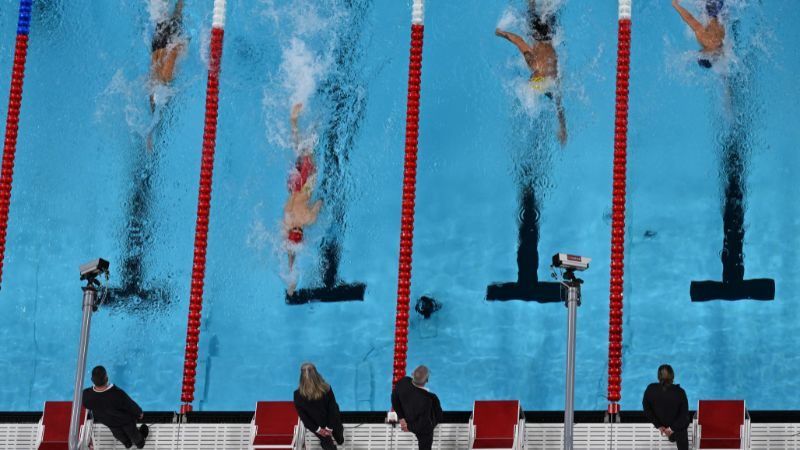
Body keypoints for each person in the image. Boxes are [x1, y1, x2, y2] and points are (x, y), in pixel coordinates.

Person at [495, 0, 567, 145]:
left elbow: (559, 102)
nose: (529, 78)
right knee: (532, 8)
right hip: (537, 32)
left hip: (550, 34)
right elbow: (518, 40)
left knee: (550, 9)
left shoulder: (552, 75)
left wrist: (563, 127)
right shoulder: (533, 64)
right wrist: (501, 33)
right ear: (535, 76)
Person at [284, 103, 322, 295]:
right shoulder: (287, 220)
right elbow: (288, 248)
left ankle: (301, 121)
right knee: (299, 152)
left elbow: (320, 202)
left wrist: (318, 205)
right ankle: (296, 123)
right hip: (293, 184)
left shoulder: (309, 219)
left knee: (307, 151)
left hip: (306, 184)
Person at [82, 366, 149, 449]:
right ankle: (140, 443)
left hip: (108, 422)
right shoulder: (117, 393)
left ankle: (127, 444)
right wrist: (139, 413)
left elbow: (86, 405)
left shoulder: (86, 395)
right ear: (107, 378)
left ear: (92, 380)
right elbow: (130, 405)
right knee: (133, 433)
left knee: (118, 434)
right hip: (125, 420)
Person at [293, 363, 344, 450]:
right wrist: (329, 427)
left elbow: (304, 418)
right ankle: (339, 438)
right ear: (316, 374)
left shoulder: (297, 395)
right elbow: (333, 409)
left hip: (316, 424)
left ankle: (330, 443)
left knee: (325, 441)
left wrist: (318, 430)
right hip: (331, 421)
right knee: (339, 435)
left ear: (301, 377)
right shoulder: (326, 388)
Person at [391, 365, 443, 450]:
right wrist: (408, 427)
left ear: (412, 374)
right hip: (419, 427)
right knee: (426, 434)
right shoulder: (430, 398)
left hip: (407, 417)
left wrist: (401, 417)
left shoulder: (403, 382)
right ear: (427, 380)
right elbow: (424, 424)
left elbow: (394, 398)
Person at [642, 364, 690, 450]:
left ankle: (672, 435)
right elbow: (684, 415)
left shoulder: (650, 389)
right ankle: (674, 436)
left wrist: (659, 425)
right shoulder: (680, 392)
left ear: (658, 376)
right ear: (672, 376)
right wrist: (671, 428)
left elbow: (646, 409)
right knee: (683, 423)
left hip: (660, 424)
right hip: (676, 429)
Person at [150, 0, 185, 111]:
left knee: (178, 11)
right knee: (162, 11)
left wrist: (184, 45)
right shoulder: (151, 83)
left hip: (168, 41)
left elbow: (174, 52)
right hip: (157, 45)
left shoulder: (166, 77)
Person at [671, 0, 726, 69]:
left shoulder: (720, 52)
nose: (699, 52)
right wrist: (676, 5)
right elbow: (690, 19)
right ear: (705, 54)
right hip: (714, 8)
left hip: (724, 13)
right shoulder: (705, 40)